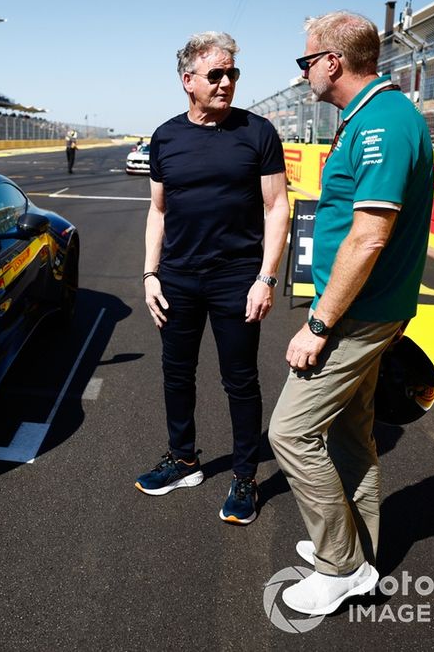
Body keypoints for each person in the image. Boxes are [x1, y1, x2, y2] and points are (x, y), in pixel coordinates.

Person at [269, 11, 434, 616]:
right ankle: (356, 551)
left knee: (290, 432)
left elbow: (368, 237)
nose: (304, 71)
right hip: (364, 309)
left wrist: (318, 325)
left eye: (305, 60)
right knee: (351, 431)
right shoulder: (369, 118)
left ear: (332, 63)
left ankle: (339, 566)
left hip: (357, 314)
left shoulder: (383, 125)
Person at [136, 31, 290, 526]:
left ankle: (245, 476)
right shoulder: (165, 136)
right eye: (216, 74)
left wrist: (265, 278)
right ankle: (183, 461)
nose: (226, 82)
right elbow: (157, 211)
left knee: (240, 381)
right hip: (177, 279)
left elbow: (276, 207)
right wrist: (150, 274)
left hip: (235, 280)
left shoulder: (258, 132)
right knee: (176, 374)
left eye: (232, 74)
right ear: (188, 81)